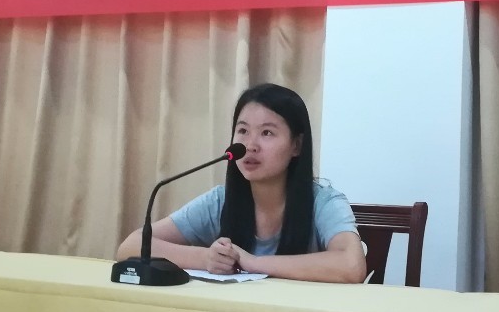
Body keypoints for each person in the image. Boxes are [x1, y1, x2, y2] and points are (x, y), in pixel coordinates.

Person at [115, 83, 366, 283]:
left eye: (267, 133)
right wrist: (207, 258)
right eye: (243, 131)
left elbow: (351, 265)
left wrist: (252, 263)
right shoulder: (220, 201)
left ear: (296, 146)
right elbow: (131, 246)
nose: (250, 145)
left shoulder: (324, 201)